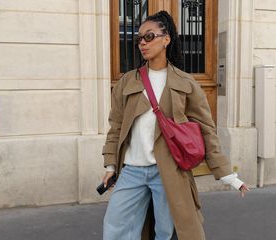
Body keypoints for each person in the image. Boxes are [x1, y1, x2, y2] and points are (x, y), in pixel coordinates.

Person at [101, 10, 249, 240]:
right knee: (116, 228)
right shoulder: (128, 81)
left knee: (166, 232)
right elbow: (116, 126)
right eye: (139, 38)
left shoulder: (185, 82)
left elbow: (206, 130)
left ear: (166, 39)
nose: (142, 43)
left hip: (169, 170)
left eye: (149, 37)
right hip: (131, 170)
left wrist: (228, 175)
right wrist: (111, 166)